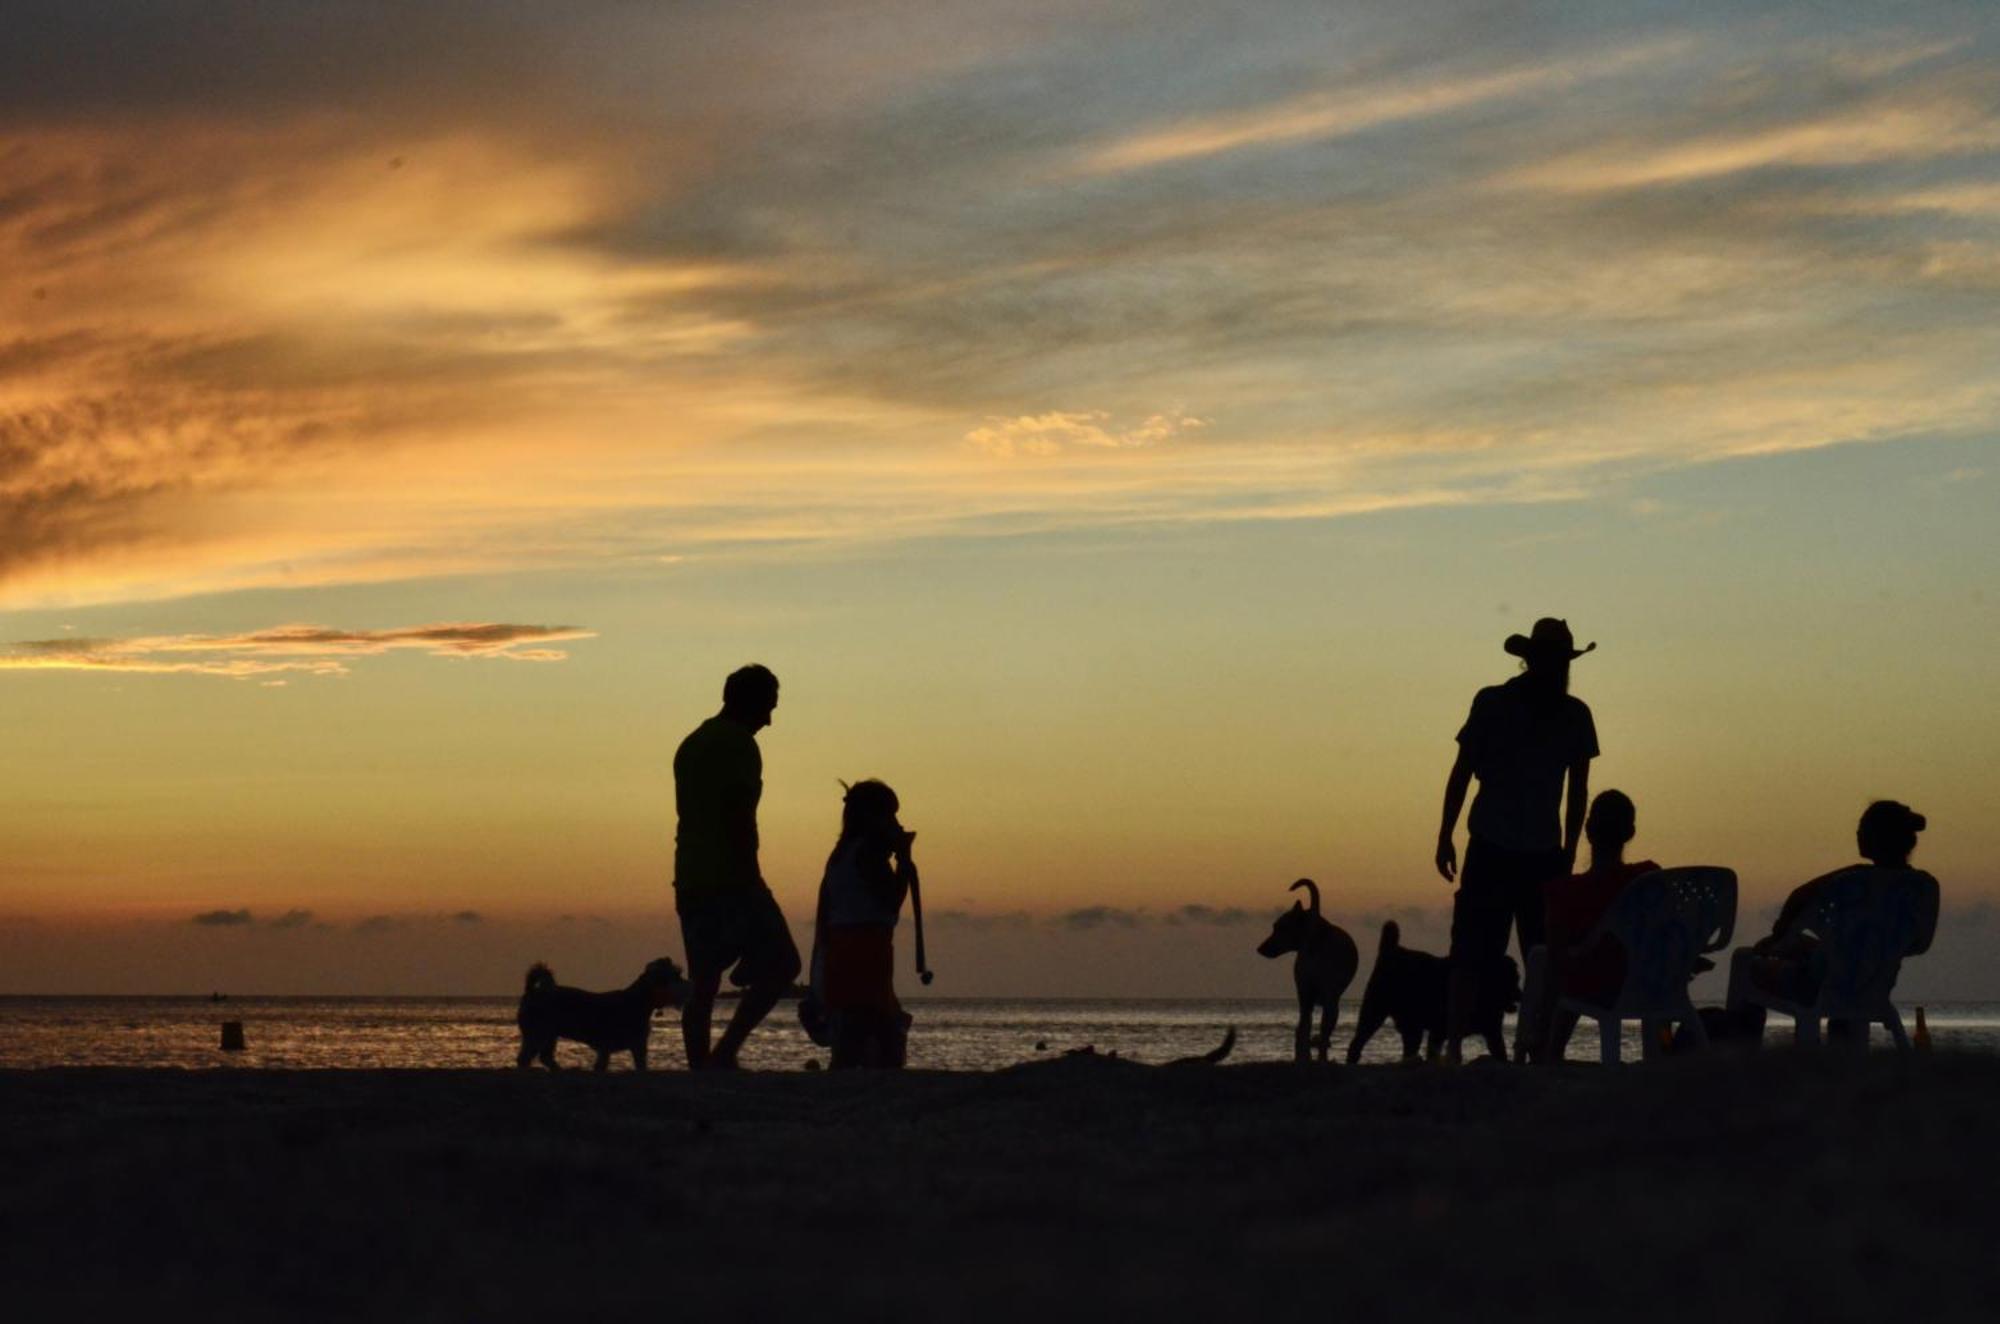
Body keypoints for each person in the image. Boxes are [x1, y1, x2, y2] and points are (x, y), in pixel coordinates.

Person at [1434, 617, 1599, 1062]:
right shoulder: (1493, 703)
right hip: (1493, 844)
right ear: (1533, 659)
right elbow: (1463, 770)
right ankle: (1453, 1048)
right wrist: (1445, 833)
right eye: (1552, 659)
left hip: (1540, 854)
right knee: (1472, 952)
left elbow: (1577, 792)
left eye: (1562, 661)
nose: (1557, 668)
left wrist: (1567, 853)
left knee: (1540, 956)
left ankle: (1536, 1049)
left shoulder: (1574, 715)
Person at [673, 664, 801, 1070]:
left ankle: (699, 1068)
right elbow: (740, 815)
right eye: (768, 707)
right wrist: (751, 875)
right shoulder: (739, 745)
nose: (770, 719)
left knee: (704, 981)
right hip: (732, 877)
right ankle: (724, 1053)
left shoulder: (692, 743)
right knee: (784, 963)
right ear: (748, 702)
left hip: (691, 876)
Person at [1730, 801, 1936, 1031]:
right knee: (1821, 956)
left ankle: (1737, 1047)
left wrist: (1779, 936)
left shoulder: (1852, 880)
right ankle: (1847, 1047)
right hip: (1873, 985)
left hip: (1818, 986)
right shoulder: (1923, 887)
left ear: (1876, 837)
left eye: (1862, 828)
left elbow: (1799, 898)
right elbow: (1920, 944)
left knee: (1744, 960)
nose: (1857, 833)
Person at [1516, 789, 1659, 1063]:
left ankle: (1541, 1048)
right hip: (1649, 983)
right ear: (1630, 833)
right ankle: (1660, 1049)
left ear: (1588, 830)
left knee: (1545, 960)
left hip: (1594, 987)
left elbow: (1557, 964)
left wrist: (1543, 1021)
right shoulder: (1649, 877)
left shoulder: (1565, 892)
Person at [806, 779, 920, 1069]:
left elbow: (824, 912)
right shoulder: (868, 855)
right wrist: (904, 861)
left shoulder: (840, 854)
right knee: (878, 1032)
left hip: (839, 949)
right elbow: (891, 901)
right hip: (866, 948)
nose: (895, 822)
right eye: (890, 815)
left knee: (854, 1029)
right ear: (872, 817)